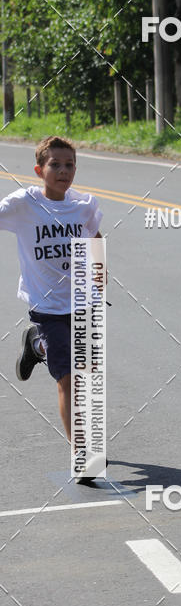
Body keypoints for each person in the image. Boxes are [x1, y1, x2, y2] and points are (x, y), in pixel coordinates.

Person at [0, 135, 103, 482]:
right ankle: (81, 454)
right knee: (69, 379)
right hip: (46, 306)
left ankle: (36, 345)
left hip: (84, 301)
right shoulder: (22, 205)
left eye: (69, 164)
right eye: (55, 165)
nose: (63, 171)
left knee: (87, 376)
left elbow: (94, 236)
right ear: (38, 170)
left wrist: (100, 275)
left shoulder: (83, 205)